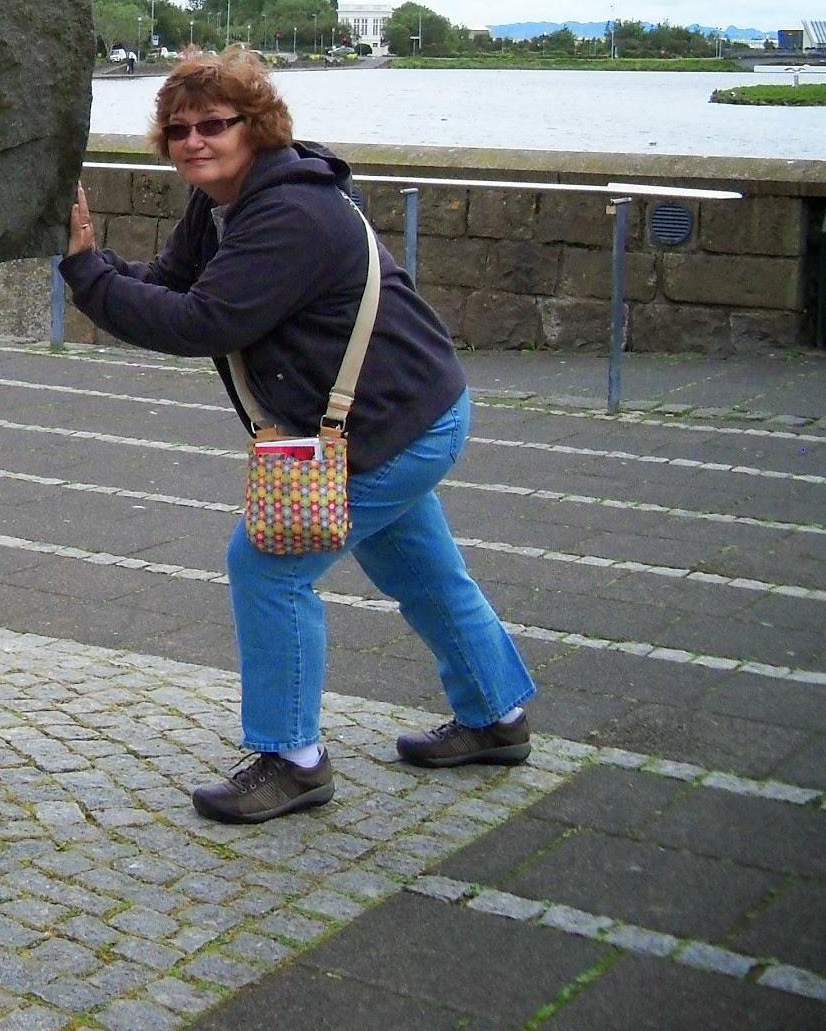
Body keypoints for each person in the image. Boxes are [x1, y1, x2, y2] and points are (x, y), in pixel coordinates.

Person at [59, 47, 534, 825]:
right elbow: (179, 282)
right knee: (421, 569)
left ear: (258, 126)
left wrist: (86, 277)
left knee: (267, 565)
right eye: (178, 130)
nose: (194, 142)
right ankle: (496, 716)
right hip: (396, 413)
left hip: (395, 424)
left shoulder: (289, 213)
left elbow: (204, 321)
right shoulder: (228, 201)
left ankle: (293, 759)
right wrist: (101, 264)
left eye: (214, 125)